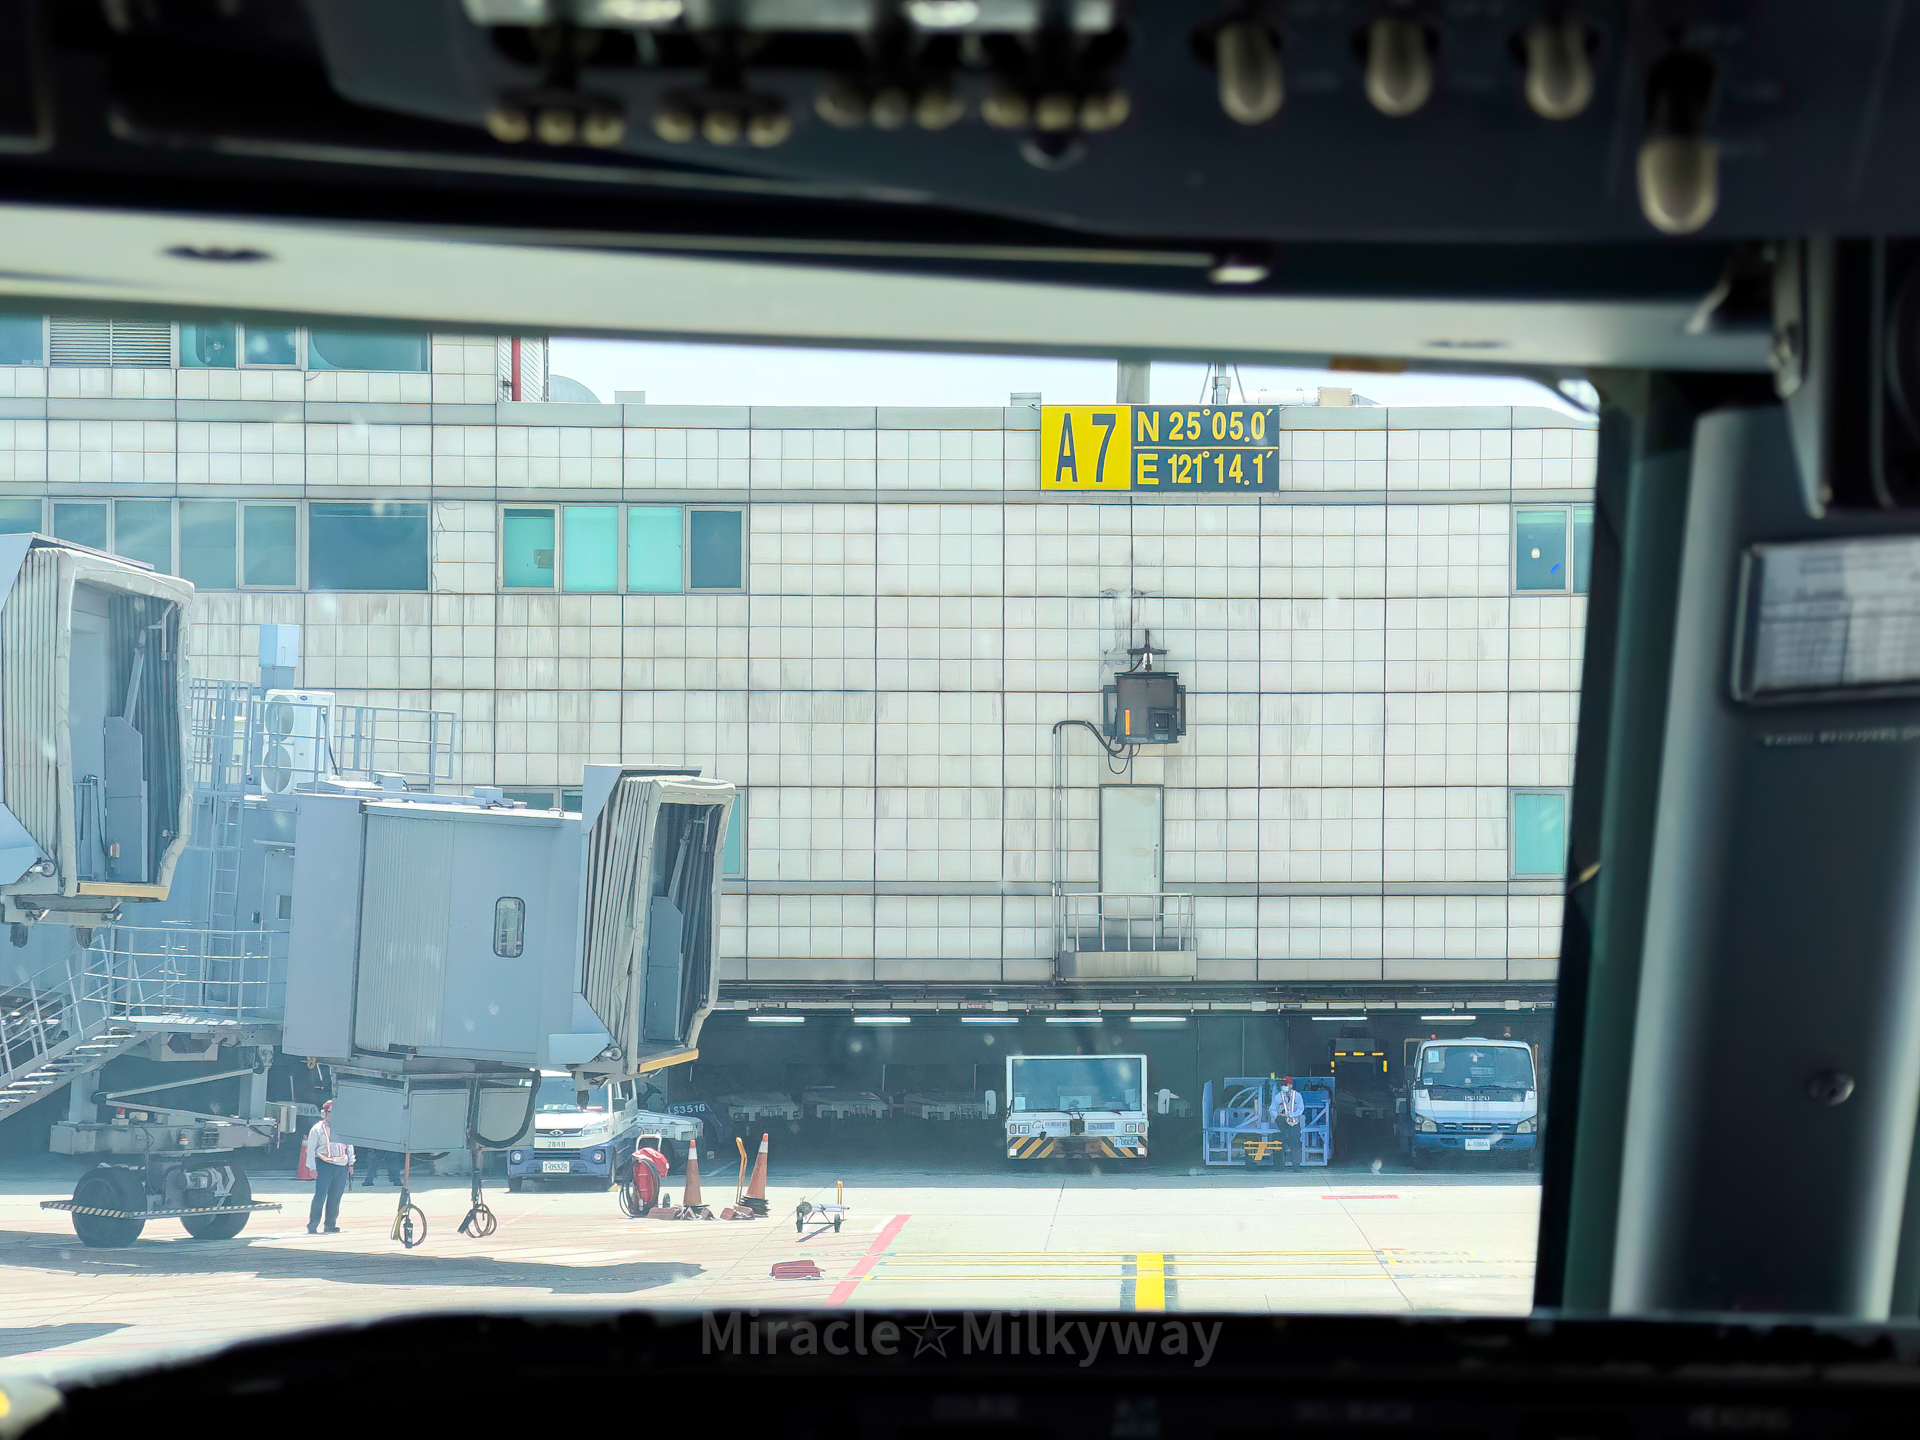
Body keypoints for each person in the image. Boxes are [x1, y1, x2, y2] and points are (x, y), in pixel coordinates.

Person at [304, 1099, 355, 1233]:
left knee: (335, 1197)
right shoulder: (317, 1129)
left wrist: (350, 1163)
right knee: (320, 1196)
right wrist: (312, 1167)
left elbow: (349, 1146)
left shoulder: (344, 1128)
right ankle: (313, 1225)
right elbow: (310, 1149)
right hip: (324, 1164)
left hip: (341, 1165)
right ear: (325, 1113)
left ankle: (330, 1225)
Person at [1274, 1077, 1304, 1168]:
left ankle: (1296, 1166)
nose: (1284, 1086)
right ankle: (1279, 1166)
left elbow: (1300, 1109)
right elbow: (1272, 1109)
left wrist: (1291, 1115)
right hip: (1282, 1123)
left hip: (1294, 1122)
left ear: (1291, 1085)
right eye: (1283, 1085)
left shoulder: (1297, 1096)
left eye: (1286, 1084)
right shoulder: (1278, 1096)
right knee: (1281, 1142)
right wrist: (1277, 1114)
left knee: (1296, 1144)